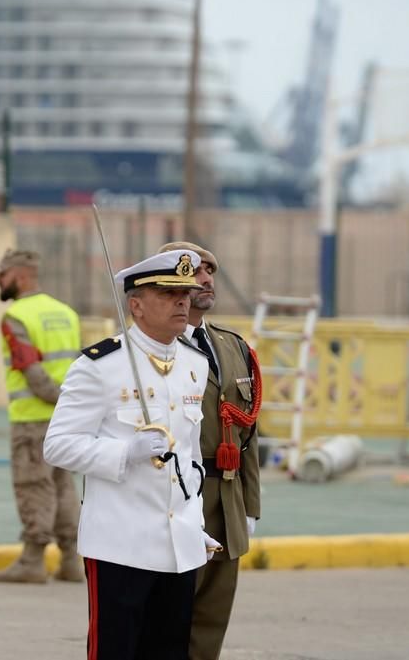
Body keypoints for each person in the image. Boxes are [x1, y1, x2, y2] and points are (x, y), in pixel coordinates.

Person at [43, 249, 221, 660]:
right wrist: (124, 453)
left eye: (185, 293)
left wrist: (192, 519)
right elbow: (58, 445)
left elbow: (189, 453)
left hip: (178, 544)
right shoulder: (99, 366)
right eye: (168, 294)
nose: (182, 302)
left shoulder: (194, 364)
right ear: (136, 304)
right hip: (120, 543)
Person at [158, 241, 261, 660]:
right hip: (177, 498)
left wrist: (250, 507)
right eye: (195, 272)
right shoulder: (154, 349)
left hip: (226, 500)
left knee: (211, 620)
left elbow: (248, 430)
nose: (206, 279)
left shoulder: (231, 346)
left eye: (209, 272)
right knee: (168, 618)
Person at [0, 249, 83, 584]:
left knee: (33, 485)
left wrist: (52, 396)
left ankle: (32, 560)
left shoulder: (16, 316)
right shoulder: (66, 313)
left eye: (2, 275)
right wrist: (69, 403)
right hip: (66, 417)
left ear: (20, 275)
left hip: (32, 417)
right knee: (62, 484)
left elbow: (30, 368)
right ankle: (71, 560)